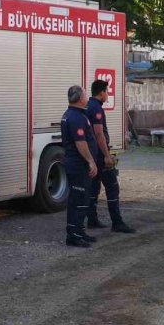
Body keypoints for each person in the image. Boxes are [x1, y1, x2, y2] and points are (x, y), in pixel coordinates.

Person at [85, 79, 135, 233]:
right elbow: (98, 133)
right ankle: (117, 222)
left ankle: (92, 219)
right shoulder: (97, 109)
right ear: (101, 93)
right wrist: (107, 156)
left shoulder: (88, 106)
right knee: (112, 188)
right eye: (107, 91)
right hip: (100, 155)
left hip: (93, 154)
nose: (107, 94)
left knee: (93, 187)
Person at [61, 85, 99, 248]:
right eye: (85, 95)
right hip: (78, 165)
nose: (87, 97)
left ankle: (79, 231)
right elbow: (80, 143)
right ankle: (74, 236)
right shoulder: (75, 117)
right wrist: (91, 161)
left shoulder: (75, 114)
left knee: (81, 199)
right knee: (78, 199)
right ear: (79, 98)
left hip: (77, 164)